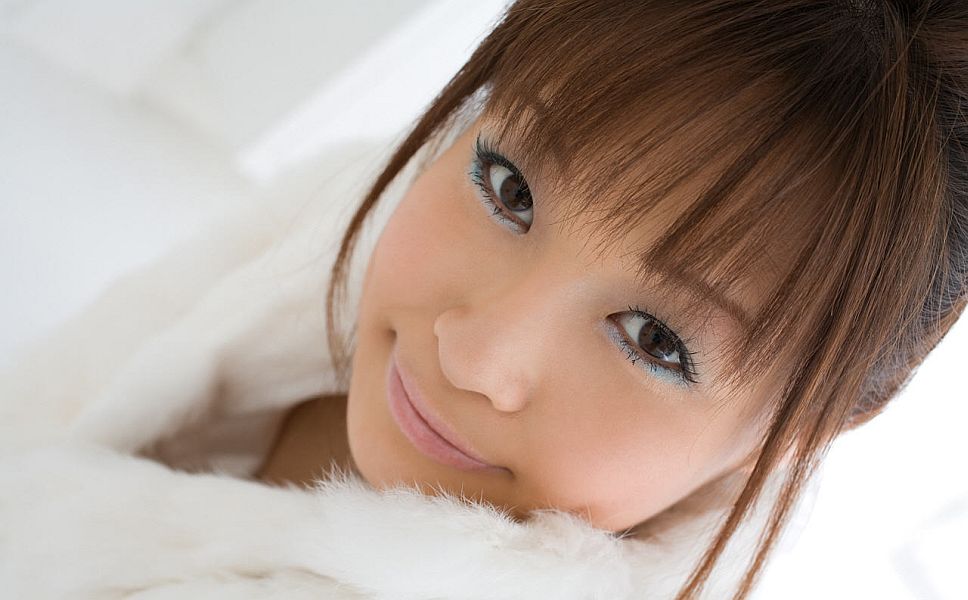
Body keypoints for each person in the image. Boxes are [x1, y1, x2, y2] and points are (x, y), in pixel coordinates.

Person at [1, 1, 965, 599]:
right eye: (512, 189)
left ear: (806, 431)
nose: (474, 354)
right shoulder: (321, 227)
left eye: (655, 339)